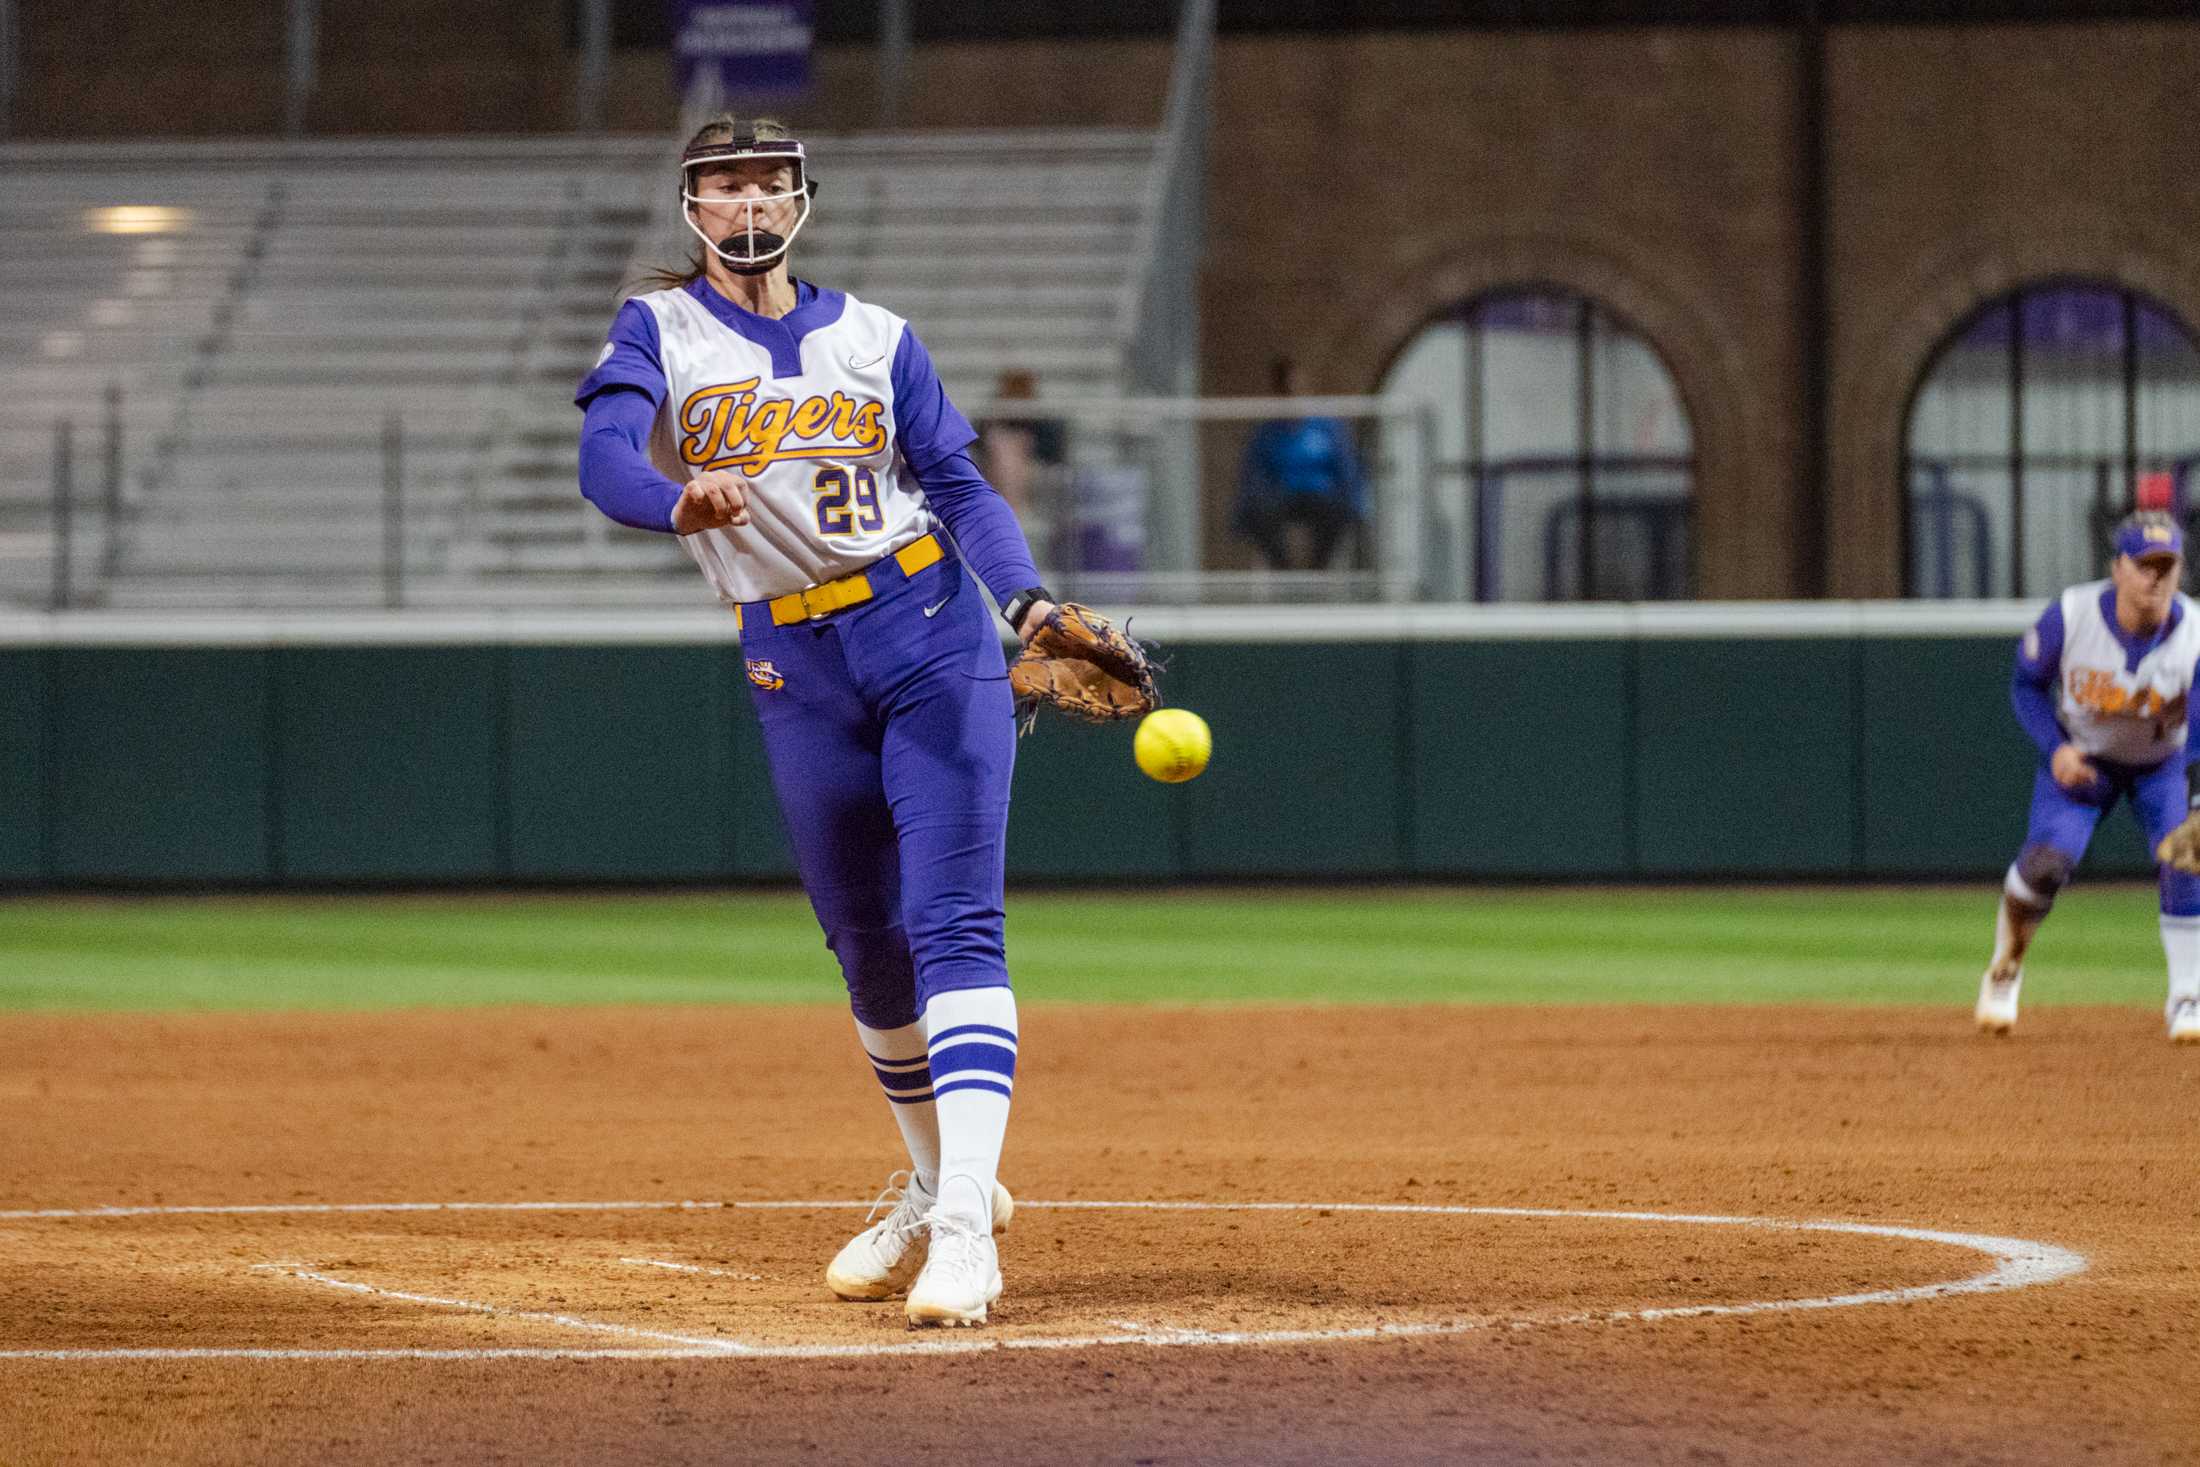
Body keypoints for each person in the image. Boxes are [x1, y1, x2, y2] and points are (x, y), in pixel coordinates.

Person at [573, 116, 1070, 1325]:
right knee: (863, 940)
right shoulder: (662, 329)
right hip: (790, 653)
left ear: (802, 197)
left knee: (952, 918)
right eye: (724, 184)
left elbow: (955, 484)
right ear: (692, 206)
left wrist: (1027, 601)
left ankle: (964, 1229)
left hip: (927, 628)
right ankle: (937, 1177)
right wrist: (673, 498)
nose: (748, 201)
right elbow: (599, 458)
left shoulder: (876, 336)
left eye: (767, 182)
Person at [1977, 510, 2200, 1044]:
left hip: (2161, 765)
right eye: (2145, 565)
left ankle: (2188, 995)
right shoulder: (2072, 615)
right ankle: (2005, 969)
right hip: (2085, 762)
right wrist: (2054, 749)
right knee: (2046, 864)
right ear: (2117, 568)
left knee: (2187, 855)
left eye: (2167, 566)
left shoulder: (2194, 631)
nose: (2156, 577)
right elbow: (2025, 686)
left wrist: (2197, 800)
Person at [1232, 356, 1366, 572]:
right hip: (1283, 495)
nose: (1293, 396)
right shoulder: (1267, 432)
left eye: (1297, 388)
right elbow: (1253, 474)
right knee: (1260, 514)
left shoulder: (1327, 427)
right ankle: (1285, 572)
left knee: (1338, 514)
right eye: (1286, 390)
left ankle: (1317, 572)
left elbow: (1346, 468)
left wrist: (1357, 503)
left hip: (1321, 496)